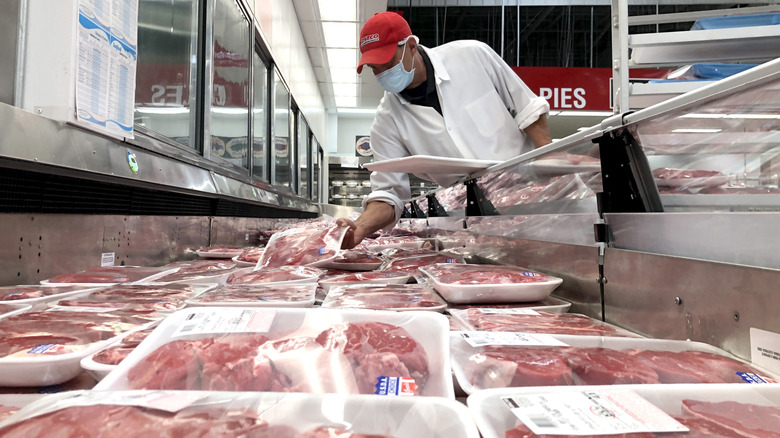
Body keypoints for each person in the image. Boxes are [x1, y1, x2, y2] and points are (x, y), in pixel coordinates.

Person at [337, 11, 552, 249]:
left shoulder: (471, 56)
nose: (382, 74)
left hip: (534, 194)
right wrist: (361, 227)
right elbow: (389, 194)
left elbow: (528, 108)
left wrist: (550, 160)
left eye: (387, 63)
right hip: (474, 219)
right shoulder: (387, 120)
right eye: (374, 69)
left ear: (410, 46)